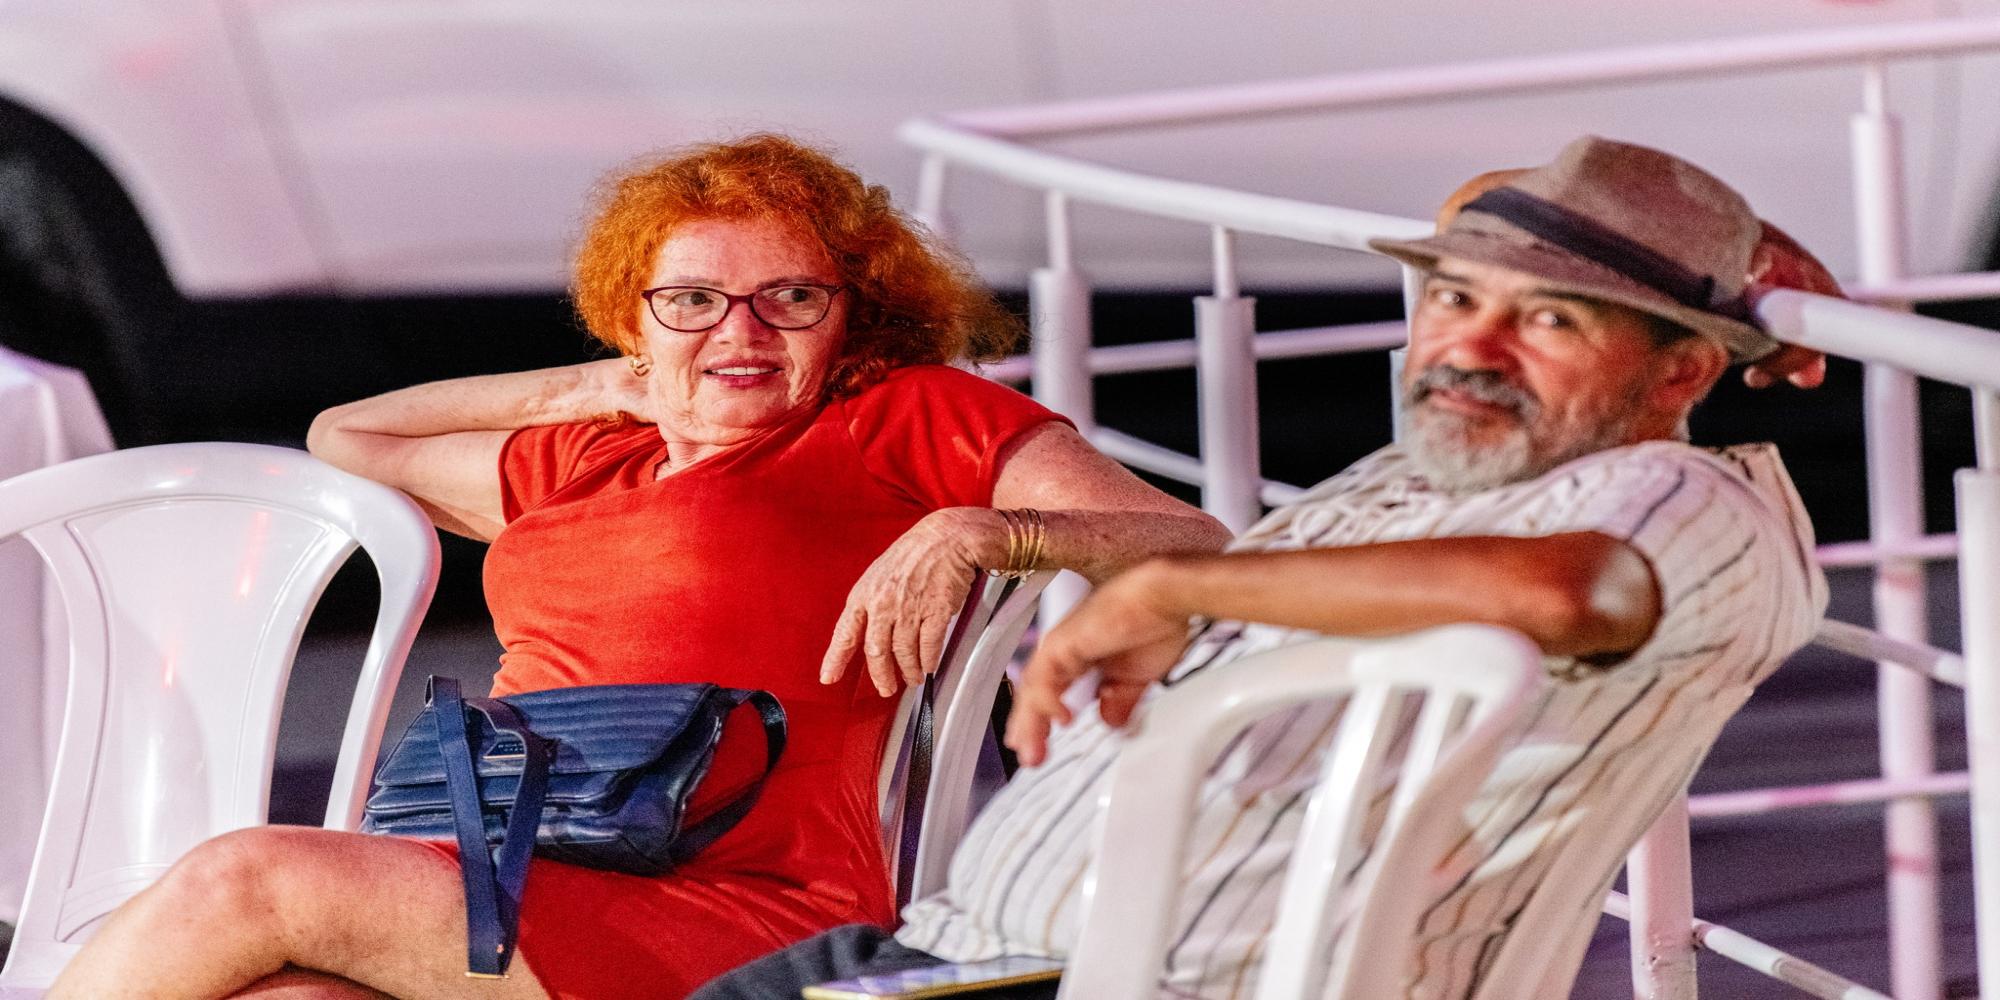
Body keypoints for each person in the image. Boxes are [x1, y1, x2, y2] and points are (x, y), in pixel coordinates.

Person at [45, 135, 1230, 1000]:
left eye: (789, 298)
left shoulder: (900, 417)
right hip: (496, 864)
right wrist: (584, 387)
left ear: (851, 314)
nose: (740, 332)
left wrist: (982, 530)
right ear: (635, 317)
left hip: (728, 895)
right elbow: (346, 438)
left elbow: (1195, 541)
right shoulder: (582, 455)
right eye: (692, 301)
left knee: (247, 879)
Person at [691, 135, 1834, 1000]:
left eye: (1551, 322)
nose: (1469, 347)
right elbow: (1478, 204)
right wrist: (1730, 251)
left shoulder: (1682, 495)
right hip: (953, 953)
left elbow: (1573, 593)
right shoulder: (1442, 467)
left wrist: (1171, 586)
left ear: (1682, 373)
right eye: (1450, 297)